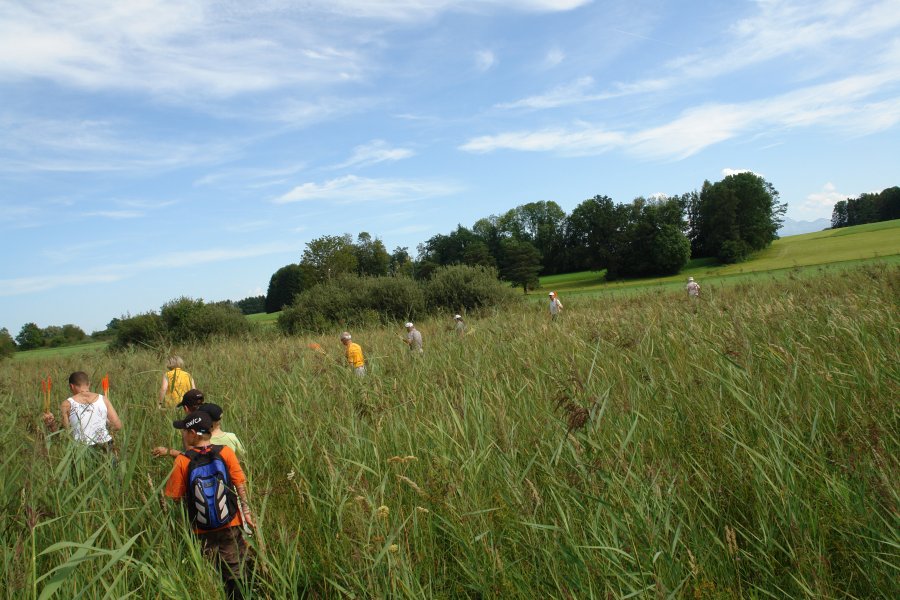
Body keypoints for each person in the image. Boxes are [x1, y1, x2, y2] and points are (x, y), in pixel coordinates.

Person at [163, 411, 255, 600]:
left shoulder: (183, 460)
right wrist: (246, 511)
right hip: (230, 521)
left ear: (193, 433)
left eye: (185, 431)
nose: (183, 434)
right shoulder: (225, 452)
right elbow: (239, 483)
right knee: (236, 566)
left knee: (211, 568)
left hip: (201, 528)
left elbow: (175, 497)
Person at [42, 371, 122, 452]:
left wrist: (51, 424)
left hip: (81, 450)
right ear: (89, 384)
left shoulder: (67, 404)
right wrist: (105, 423)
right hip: (106, 445)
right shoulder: (103, 399)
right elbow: (117, 426)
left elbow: (66, 435)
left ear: (71, 386)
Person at [151, 389, 207, 459]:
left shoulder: (189, 429)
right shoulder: (212, 420)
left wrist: (169, 452)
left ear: (186, 408)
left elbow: (192, 458)